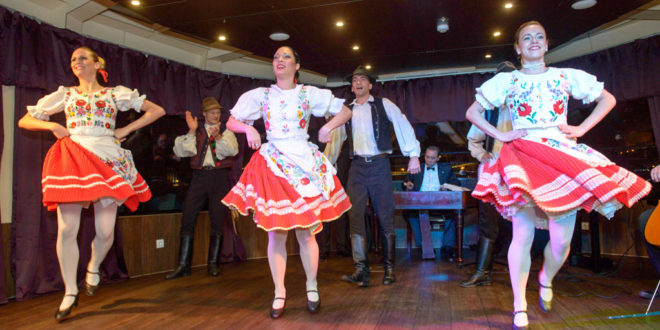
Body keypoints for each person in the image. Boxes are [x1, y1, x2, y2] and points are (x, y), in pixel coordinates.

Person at [465, 21, 650, 329]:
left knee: (562, 240)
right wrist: (501, 134)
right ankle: (519, 305)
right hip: (522, 155)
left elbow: (608, 99)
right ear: (518, 48)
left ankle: (546, 277)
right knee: (522, 235)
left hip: (559, 153)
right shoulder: (507, 80)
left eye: (539, 36)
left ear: (547, 45)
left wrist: (581, 128)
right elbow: (472, 112)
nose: (534, 41)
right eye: (527, 37)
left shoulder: (566, 76)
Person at [18, 46, 165, 320]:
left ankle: (94, 267)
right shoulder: (66, 94)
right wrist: (52, 126)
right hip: (73, 157)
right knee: (67, 229)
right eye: (73, 59)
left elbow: (157, 110)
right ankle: (70, 291)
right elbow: (26, 120)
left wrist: (124, 129)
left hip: (107, 157)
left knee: (106, 230)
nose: (77, 62)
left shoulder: (114, 93)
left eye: (83, 57)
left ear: (98, 64)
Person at [221, 46, 352, 318]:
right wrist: (248, 127)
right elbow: (232, 120)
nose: (280, 60)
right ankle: (279, 292)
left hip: (303, 159)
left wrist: (328, 127)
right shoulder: (262, 95)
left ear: (297, 65)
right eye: (276, 57)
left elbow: (345, 111)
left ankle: (312, 286)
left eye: (286, 57)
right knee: (276, 231)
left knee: (306, 232)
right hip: (273, 161)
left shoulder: (308, 93)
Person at [341, 66, 421, 288]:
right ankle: (361, 270)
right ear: (352, 86)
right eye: (355, 80)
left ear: (370, 85)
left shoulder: (383, 104)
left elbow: (402, 124)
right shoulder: (346, 109)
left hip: (379, 165)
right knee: (355, 216)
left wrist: (413, 154)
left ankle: (389, 268)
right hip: (356, 166)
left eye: (362, 79)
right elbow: (334, 137)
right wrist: (325, 166)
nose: (358, 83)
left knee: (385, 217)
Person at [165, 97, 239, 279]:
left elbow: (232, 151)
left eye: (218, 112)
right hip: (199, 178)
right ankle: (183, 265)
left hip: (219, 177)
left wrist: (219, 138)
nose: (216, 115)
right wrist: (191, 131)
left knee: (217, 218)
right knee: (188, 215)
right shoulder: (196, 131)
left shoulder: (226, 132)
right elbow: (183, 152)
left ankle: (213, 263)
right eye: (212, 112)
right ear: (204, 114)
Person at [461, 61, 516, 287]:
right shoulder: (489, 111)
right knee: (488, 221)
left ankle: (524, 275)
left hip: (521, 170)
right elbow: (473, 138)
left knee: (522, 222)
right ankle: (483, 271)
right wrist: (482, 154)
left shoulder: (524, 107)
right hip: (495, 171)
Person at [403, 146, 460, 258]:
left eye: (433, 158)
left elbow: (457, 184)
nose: (429, 160)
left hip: (440, 203)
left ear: (438, 158)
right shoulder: (417, 168)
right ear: (424, 157)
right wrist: (408, 185)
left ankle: (447, 246)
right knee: (411, 214)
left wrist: (447, 188)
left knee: (453, 214)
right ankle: (423, 246)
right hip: (419, 203)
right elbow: (405, 182)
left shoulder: (446, 169)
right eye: (427, 157)